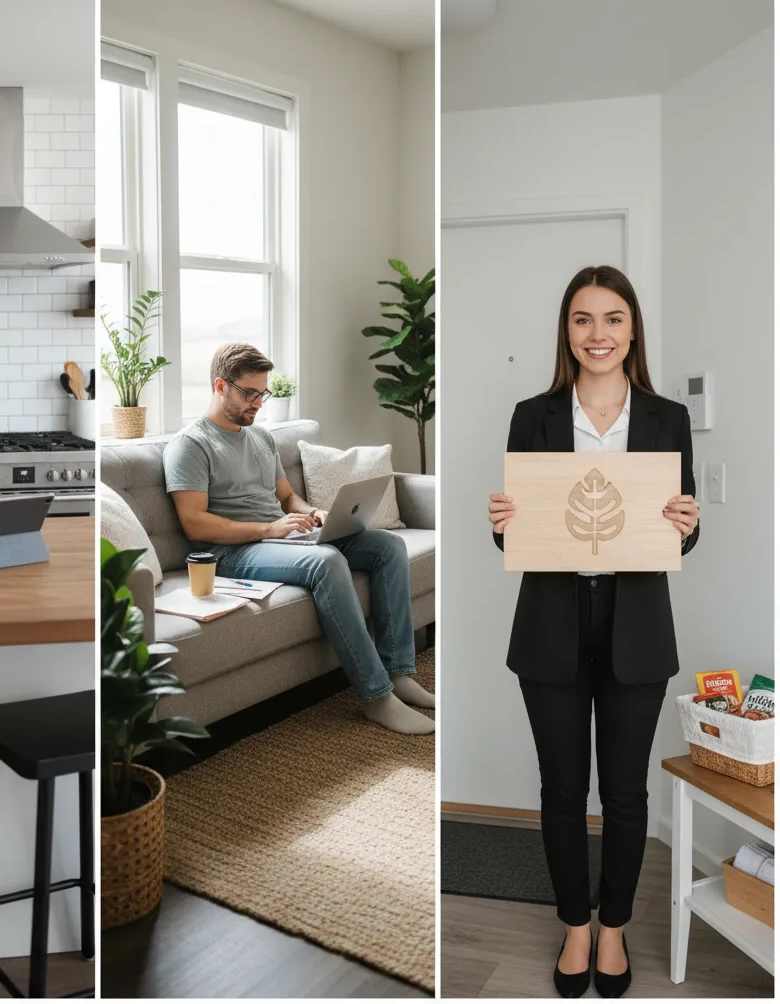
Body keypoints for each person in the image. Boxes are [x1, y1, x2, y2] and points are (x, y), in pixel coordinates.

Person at [488, 265, 699, 998]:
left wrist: (687, 524)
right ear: (567, 331)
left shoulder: (667, 418)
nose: (598, 334)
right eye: (583, 319)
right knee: (560, 789)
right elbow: (521, 535)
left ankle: (614, 931)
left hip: (637, 624)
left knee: (627, 794)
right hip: (551, 621)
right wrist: (503, 526)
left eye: (612, 319)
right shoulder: (532, 414)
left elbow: (677, 531)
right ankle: (575, 927)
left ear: (633, 328)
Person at [163, 342, 434, 735]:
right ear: (220, 387)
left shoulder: (261, 437)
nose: (258, 403)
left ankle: (400, 672)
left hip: (280, 539)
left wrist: (312, 513)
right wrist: (271, 529)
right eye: (248, 393)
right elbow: (196, 525)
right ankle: (376, 696)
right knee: (326, 562)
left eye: (263, 393)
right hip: (230, 552)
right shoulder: (191, 445)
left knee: (387, 546)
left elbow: (286, 497)